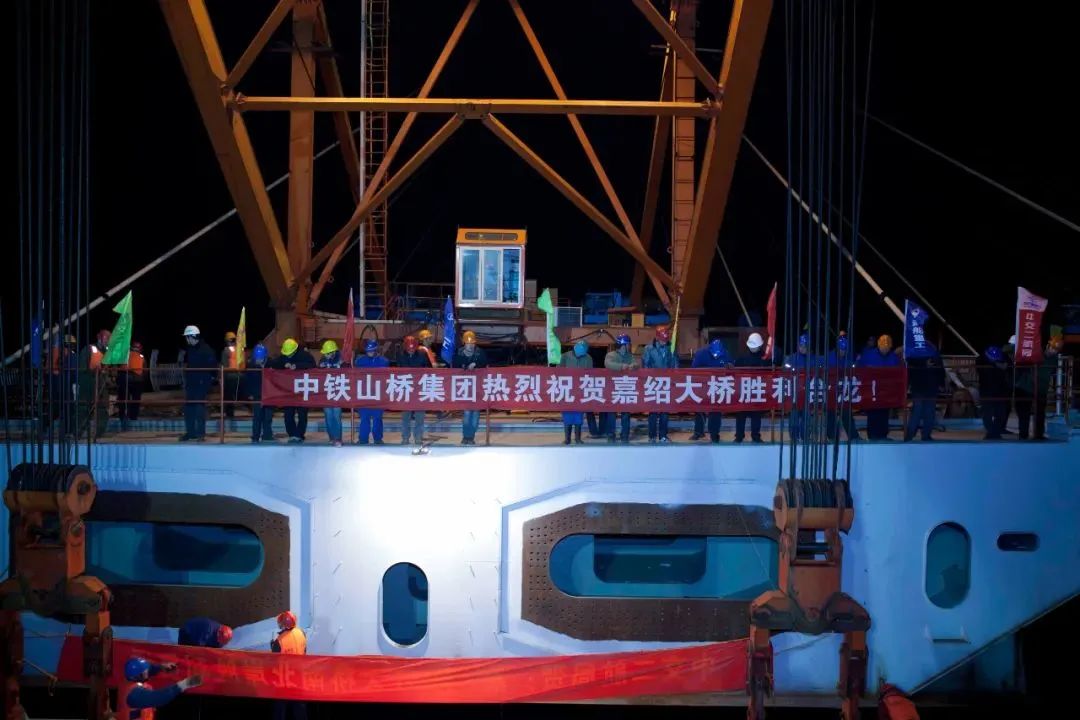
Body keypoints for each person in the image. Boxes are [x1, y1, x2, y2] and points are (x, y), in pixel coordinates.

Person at [118, 656, 202, 720]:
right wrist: (183, 684)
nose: (148, 672)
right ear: (138, 676)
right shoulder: (134, 695)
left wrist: (161, 667)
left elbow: (149, 670)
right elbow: (159, 697)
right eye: (145, 671)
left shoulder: (128, 679)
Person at [856, 334, 900, 440]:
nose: (885, 349)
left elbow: (898, 373)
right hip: (872, 391)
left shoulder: (894, 358)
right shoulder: (869, 355)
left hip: (886, 392)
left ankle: (883, 435)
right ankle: (872, 436)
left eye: (887, 347)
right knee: (873, 413)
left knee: (884, 413)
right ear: (879, 346)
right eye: (883, 347)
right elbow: (858, 368)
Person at [271, 338, 315, 443]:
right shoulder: (283, 357)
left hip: (302, 390)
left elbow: (312, 365)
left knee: (302, 414)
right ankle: (292, 434)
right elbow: (274, 364)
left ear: (295, 350)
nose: (288, 356)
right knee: (288, 414)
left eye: (290, 354)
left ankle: (299, 434)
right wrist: (284, 364)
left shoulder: (305, 355)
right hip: (288, 391)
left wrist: (297, 366)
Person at [642, 325, 678, 443]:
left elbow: (675, 365)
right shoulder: (649, 349)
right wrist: (648, 380)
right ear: (657, 338)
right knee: (653, 411)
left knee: (665, 412)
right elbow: (645, 365)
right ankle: (652, 436)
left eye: (665, 340)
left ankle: (663, 435)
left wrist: (674, 379)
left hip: (666, 384)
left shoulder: (671, 348)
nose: (664, 342)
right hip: (653, 384)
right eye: (662, 340)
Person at [452, 330, 488, 445]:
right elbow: (455, 367)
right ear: (464, 343)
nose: (471, 346)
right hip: (465, 388)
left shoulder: (480, 353)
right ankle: (466, 436)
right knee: (467, 413)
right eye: (468, 343)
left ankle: (471, 436)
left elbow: (485, 365)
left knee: (475, 414)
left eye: (472, 343)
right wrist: (465, 367)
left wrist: (476, 365)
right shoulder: (459, 353)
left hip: (478, 388)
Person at [181, 326, 216, 442]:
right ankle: (191, 433)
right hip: (191, 383)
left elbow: (213, 367)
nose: (186, 340)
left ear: (193, 336)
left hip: (201, 383)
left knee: (199, 408)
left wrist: (208, 381)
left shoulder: (206, 350)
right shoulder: (190, 349)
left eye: (187, 337)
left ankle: (200, 434)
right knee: (189, 408)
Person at [691, 339, 730, 443]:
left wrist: (729, 367)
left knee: (715, 410)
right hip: (703, 385)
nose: (716, 356)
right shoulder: (701, 354)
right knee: (700, 409)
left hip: (717, 386)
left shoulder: (725, 353)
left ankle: (714, 433)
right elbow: (693, 369)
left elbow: (730, 366)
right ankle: (698, 432)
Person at [272, 611, 308, 720]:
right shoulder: (301, 633)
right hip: (299, 677)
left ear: (283, 624)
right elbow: (304, 650)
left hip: (284, 680)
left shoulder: (279, 641)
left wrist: (272, 646)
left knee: (280, 708)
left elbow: (274, 662)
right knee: (300, 708)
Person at [77, 329, 111, 440]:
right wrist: (95, 372)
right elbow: (82, 368)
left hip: (101, 385)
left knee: (102, 410)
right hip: (88, 384)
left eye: (109, 338)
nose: (108, 340)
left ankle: (98, 433)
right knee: (84, 409)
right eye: (106, 337)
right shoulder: (89, 349)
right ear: (99, 337)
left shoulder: (107, 352)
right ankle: (78, 432)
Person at [398, 335, 432, 445]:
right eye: (409, 350)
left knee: (419, 416)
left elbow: (429, 370)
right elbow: (397, 372)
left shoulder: (422, 354)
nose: (411, 351)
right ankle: (405, 438)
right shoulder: (401, 355)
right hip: (406, 389)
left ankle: (418, 437)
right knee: (405, 417)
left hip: (419, 389)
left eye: (412, 350)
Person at [603, 334, 638, 443]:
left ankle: (625, 435)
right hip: (613, 388)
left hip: (625, 388)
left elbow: (636, 364)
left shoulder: (629, 356)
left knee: (626, 413)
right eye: (627, 344)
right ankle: (610, 435)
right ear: (623, 345)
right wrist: (621, 366)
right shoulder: (611, 355)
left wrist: (634, 366)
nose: (628, 346)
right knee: (611, 413)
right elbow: (608, 364)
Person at [734, 332, 768, 443]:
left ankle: (755, 436)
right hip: (744, 390)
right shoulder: (742, 358)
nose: (753, 348)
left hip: (757, 390)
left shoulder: (765, 359)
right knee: (741, 414)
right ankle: (739, 436)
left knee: (756, 415)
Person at [354, 338, 389, 444]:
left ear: (376, 350)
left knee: (377, 418)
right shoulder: (360, 361)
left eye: (372, 351)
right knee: (364, 418)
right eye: (368, 351)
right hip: (364, 394)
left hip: (378, 394)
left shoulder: (383, 361)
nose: (370, 353)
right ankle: (363, 438)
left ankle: (377, 438)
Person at [904, 351, 945, 442]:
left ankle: (919, 435)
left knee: (927, 412)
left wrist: (941, 383)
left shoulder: (930, 351)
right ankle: (913, 435)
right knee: (919, 412)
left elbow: (940, 369)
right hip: (921, 387)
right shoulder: (919, 352)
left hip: (928, 387)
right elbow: (910, 367)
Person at [826, 335, 859, 441]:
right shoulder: (830, 357)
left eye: (844, 350)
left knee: (846, 413)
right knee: (831, 414)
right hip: (832, 390)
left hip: (844, 391)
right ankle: (831, 436)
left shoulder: (848, 359)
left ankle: (853, 436)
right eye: (841, 349)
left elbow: (852, 372)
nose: (843, 352)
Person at [559, 340, 592, 444]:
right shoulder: (564, 356)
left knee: (579, 415)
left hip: (580, 390)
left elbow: (591, 374)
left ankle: (578, 438)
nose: (580, 355)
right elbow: (558, 371)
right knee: (567, 415)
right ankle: (567, 438)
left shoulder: (588, 358)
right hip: (567, 390)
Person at [1032, 332, 1063, 440]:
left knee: (1040, 412)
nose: (1054, 351)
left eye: (1056, 350)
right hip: (1030, 387)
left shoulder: (1054, 359)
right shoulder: (1037, 354)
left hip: (1042, 389)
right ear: (1047, 346)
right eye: (1052, 348)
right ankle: (1023, 435)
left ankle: (1038, 435)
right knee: (1025, 413)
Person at [783, 333, 813, 441]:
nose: (803, 348)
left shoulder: (813, 359)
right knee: (794, 416)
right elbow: (785, 373)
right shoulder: (791, 358)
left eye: (805, 346)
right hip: (795, 393)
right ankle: (794, 437)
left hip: (808, 393)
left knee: (807, 416)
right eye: (801, 346)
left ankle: (805, 436)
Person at [977, 345, 1009, 440]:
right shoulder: (982, 362)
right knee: (987, 414)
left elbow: (1007, 365)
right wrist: (996, 364)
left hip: (999, 391)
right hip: (987, 391)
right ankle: (992, 433)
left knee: (1001, 414)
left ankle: (994, 432)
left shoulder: (1002, 360)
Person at [245, 344, 274, 443]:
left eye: (260, 359)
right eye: (257, 359)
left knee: (268, 416)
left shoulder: (271, 363)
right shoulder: (250, 365)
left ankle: (267, 435)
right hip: (257, 394)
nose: (259, 360)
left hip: (269, 394)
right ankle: (255, 436)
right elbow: (248, 381)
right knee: (257, 416)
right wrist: (249, 393)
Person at [318, 340, 344, 446]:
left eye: (328, 353)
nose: (326, 355)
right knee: (328, 416)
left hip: (338, 392)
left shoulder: (342, 360)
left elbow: (348, 371)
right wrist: (321, 367)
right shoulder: (323, 360)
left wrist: (340, 366)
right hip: (326, 392)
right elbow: (317, 372)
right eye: (325, 353)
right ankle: (331, 437)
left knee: (336, 416)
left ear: (333, 352)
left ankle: (338, 438)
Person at [116, 340, 145, 431]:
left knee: (130, 400)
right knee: (127, 399)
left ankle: (129, 417)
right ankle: (128, 417)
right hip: (129, 379)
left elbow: (144, 369)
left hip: (133, 380)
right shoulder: (127, 355)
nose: (136, 349)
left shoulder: (136, 356)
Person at [221, 331, 241, 418]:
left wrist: (221, 378)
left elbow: (224, 365)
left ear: (227, 341)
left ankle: (229, 415)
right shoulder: (238, 350)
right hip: (239, 376)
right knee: (235, 395)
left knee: (228, 397)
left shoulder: (226, 351)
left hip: (229, 376)